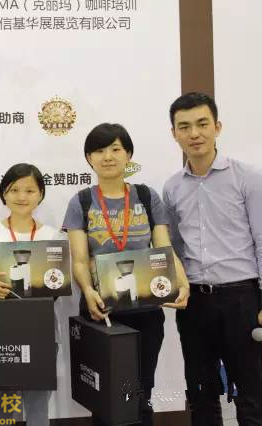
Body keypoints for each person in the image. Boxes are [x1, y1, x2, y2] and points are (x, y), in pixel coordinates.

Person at [62, 123, 190, 425]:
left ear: (128, 155)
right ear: (89, 158)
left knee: (141, 393)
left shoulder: (146, 196)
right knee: (104, 396)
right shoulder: (81, 201)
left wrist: (182, 283)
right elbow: (79, 260)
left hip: (146, 310)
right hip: (101, 310)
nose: (108, 157)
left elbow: (164, 248)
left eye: (116, 149)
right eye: (99, 151)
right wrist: (88, 291)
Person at [163, 92, 262, 425]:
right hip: (195, 303)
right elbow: (175, 247)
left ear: (217, 127)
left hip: (242, 298)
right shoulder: (172, 188)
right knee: (201, 393)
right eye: (184, 127)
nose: (194, 134)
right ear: (174, 133)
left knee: (251, 393)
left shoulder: (247, 177)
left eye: (202, 124)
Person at [0, 163, 60, 426]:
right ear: (4, 194)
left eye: (30, 190)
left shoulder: (52, 235)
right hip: (0, 327)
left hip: (40, 327)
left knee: (37, 403)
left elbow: (57, 282)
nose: (22, 197)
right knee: (0, 404)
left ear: (40, 194)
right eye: (14, 190)